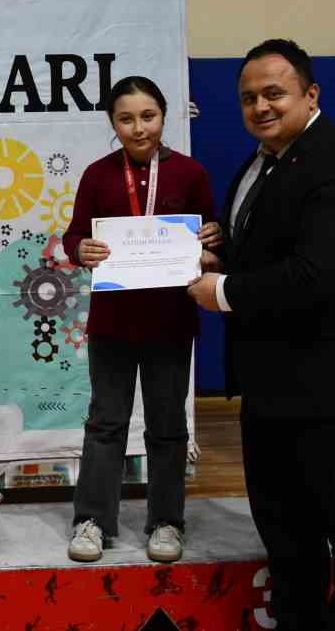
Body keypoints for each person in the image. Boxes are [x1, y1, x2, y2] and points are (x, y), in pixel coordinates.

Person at [187, 39, 335, 629]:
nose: (260, 106)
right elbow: (272, 252)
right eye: (248, 97)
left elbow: (315, 274)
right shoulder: (260, 163)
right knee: (288, 544)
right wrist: (221, 255)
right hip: (272, 394)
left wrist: (223, 291)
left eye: (274, 93)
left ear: (311, 95)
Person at [60, 76, 222, 564]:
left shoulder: (190, 173)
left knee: (168, 426)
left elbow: (211, 237)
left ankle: (167, 521)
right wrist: (81, 250)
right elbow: (74, 236)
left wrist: (214, 242)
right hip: (112, 323)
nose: (138, 128)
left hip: (171, 322)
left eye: (147, 116)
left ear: (164, 116)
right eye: (126, 119)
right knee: (105, 424)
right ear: (113, 123)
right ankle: (93, 520)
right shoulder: (97, 175)